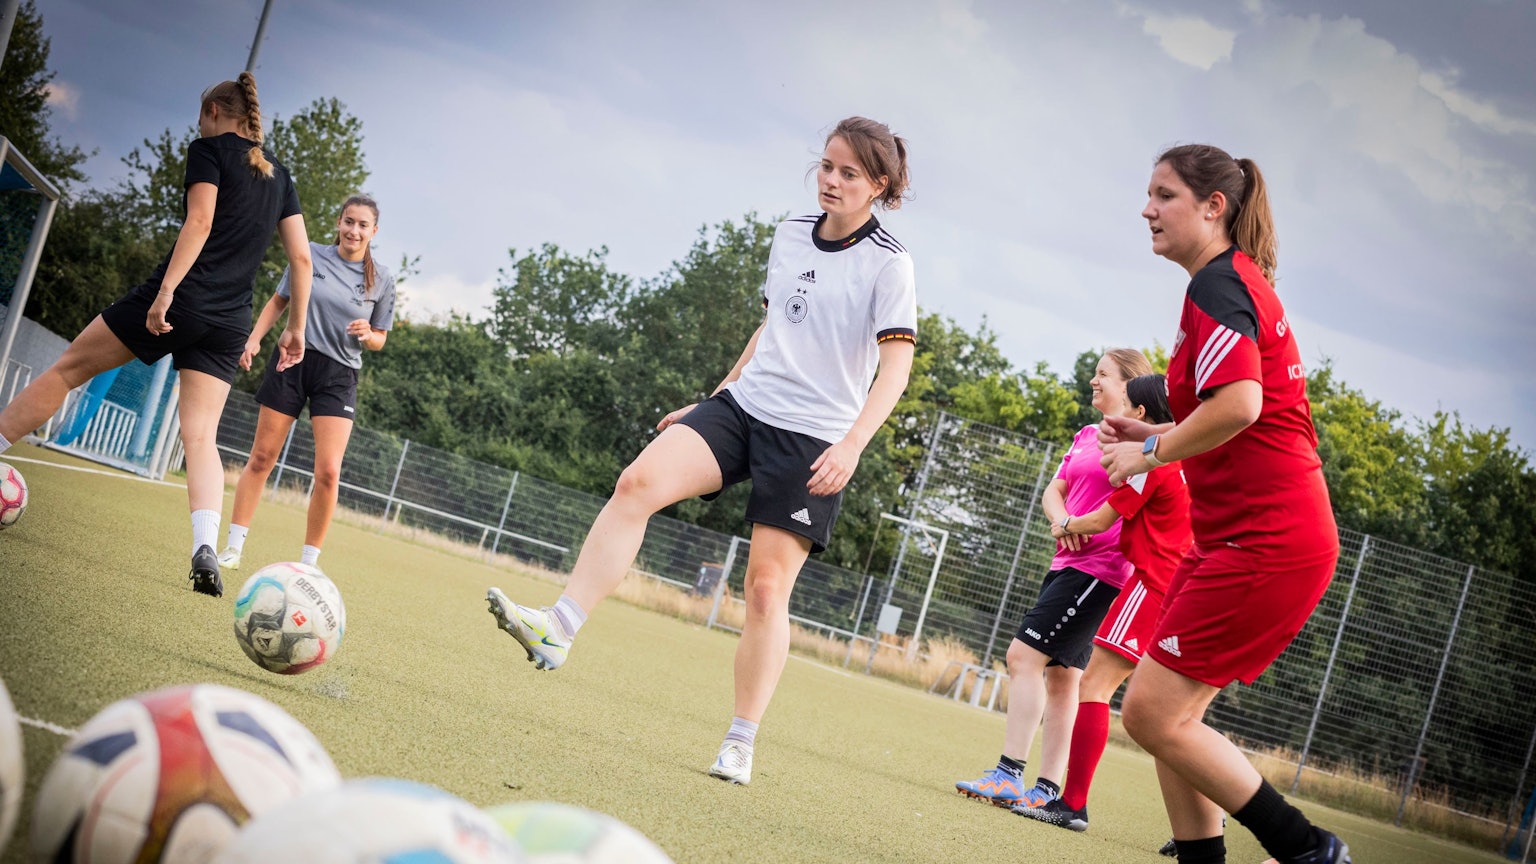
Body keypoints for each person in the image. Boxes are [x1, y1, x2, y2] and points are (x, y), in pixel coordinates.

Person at [484, 117, 915, 786]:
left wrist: (854, 444)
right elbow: (770, 328)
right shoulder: (790, 232)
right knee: (636, 483)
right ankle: (558, 627)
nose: (831, 180)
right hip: (743, 407)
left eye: (849, 173)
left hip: (813, 438)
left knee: (765, 591)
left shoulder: (889, 263)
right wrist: (713, 401)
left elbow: (895, 370)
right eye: (826, 166)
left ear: (878, 185)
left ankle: (740, 741)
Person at [1098, 144, 1348, 864]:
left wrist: (1150, 455)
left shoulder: (1218, 285)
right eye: (1149, 194)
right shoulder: (1223, 282)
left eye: (1164, 195)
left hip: (1267, 541)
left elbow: (1240, 405)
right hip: (1245, 539)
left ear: (1214, 207)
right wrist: (1155, 432)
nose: (1146, 209)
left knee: (1151, 714)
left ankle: (1309, 851)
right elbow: (1232, 415)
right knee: (1166, 714)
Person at [0, 72, 309, 597]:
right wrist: (295, 328)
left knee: (68, 370)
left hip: (181, 298)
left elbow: (200, 222)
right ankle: (204, 548)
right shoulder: (279, 175)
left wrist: (165, 292)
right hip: (230, 321)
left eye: (201, 114)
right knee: (201, 436)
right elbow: (301, 259)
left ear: (214, 112)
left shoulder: (207, 150)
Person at [954, 348, 1152, 811]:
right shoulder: (1085, 435)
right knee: (1063, 679)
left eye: (1103, 375)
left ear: (1129, 387)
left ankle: (1008, 774)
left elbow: (1117, 513)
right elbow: (1055, 489)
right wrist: (1062, 520)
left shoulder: (1139, 448)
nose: (1093, 381)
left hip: (1099, 572)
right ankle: (1045, 789)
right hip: (1066, 565)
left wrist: (1074, 525)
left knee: (1022, 657)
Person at [1014, 372, 1192, 833]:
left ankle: (1072, 804)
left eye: (1126, 400)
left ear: (1141, 413)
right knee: (1176, 716)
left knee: (1093, 686)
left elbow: (1100, 519)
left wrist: (1064, 525)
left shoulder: (1153, 463)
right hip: (1180, 588)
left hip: (1151, 585)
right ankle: (1202, 826)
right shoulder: (1189, 460)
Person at [216, 194, 396, 572]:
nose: (354, 230)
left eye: (363, 225)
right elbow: (278, 301)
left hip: (339, 376)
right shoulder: (310, 254)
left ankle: (309, 565)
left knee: (328, 472)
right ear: (339, 222)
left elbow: (380, 338)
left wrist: (368, 334)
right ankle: (232, 548)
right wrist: (253, 339)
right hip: (292, 361)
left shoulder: (382, 279)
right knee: (262, 457)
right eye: (349, 221)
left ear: (374, 231)